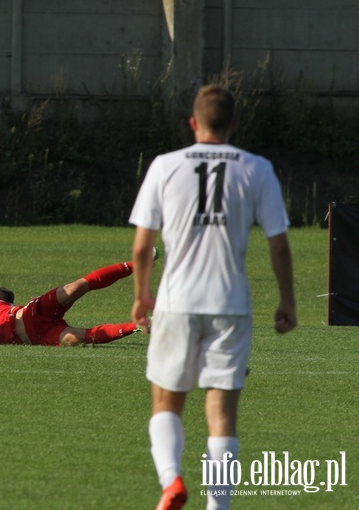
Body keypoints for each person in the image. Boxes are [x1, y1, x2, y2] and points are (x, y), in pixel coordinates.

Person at [128, 84, 297, 510]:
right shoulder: (257, 169)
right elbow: (279, 243)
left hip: (176, 301)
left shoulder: (165, 166)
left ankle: (171, 482)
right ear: (234, 124)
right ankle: (217, 507)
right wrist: (287, 301)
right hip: (231, 305)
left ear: (193, 123)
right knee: (222, 416)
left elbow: (141, 245)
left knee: (167, 401)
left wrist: (141, 295)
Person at [0, 260, 144, 346]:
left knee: (75, 287)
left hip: (33, 313)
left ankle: (136, 264)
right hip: (39, 336)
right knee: (76, 338)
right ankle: (138, 325)